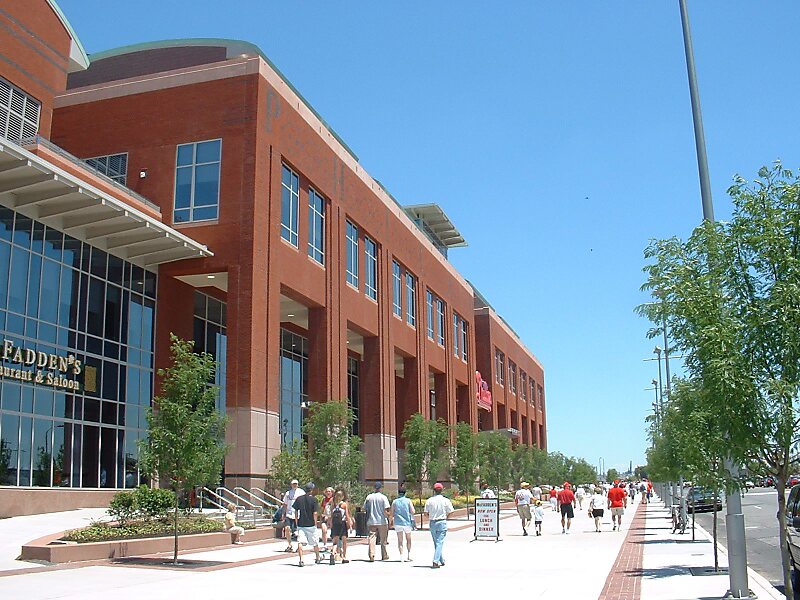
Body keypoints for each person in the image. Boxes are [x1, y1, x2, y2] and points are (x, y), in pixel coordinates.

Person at [424, 482, 454, 568]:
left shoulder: (429, 500)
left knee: (436, 543)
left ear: (434, 490)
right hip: (442, 521)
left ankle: (441, 560)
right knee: (439, 542)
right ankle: (435, 561)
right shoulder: (445, 500)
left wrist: (430, 517)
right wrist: (446, 518)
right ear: (442, 490)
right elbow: (451, 511)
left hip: (432, 522)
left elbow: (425, 513)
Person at [292, 482, 322, 567]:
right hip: (311, 524)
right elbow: (315, 513)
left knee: (300, 542)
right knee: (315, 542)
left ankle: (301, 560)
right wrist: (315, 523)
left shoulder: (299, 499)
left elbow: (296, 511)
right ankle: (317, 557)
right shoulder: (314, 500)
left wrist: (297, 521)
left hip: (301, 524)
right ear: (312, 490)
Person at [363, 481, 391, 561]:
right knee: (383, 540)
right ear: (381, 488)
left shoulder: (369, 497)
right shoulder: (383, 497)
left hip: (371, 520)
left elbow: (365, 508)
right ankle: (384, 555)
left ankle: (372, 554)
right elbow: (386, 509)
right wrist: (389, 517)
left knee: (372, 538)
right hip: (382, 521)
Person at [391, 487, 415, 561]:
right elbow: (413, 511)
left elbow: (392, 513)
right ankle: (409, 554)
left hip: (398, 522)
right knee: (408, 539)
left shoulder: (394, 502)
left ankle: (401, 556)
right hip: (407, 522)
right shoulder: (408, 501)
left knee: (400, 540)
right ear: (405, 493)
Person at [282, 478, 305, 552]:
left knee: (299, 531)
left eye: (296, 484)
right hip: (289, 514)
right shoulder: (288, 493)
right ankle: (289, 544)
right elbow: (285, 504)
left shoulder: (301, 492)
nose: (294, 485)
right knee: (287, 529)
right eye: (293, 484)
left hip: (298, 515)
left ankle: (299, 546)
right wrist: (283, 513)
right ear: (291, 485)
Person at [330, 490, 352, 564]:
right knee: (344, 541)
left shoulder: (333, 504)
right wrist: (350, 525)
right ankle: (344, 557)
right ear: (342, 496)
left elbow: (331, 516)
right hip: (342, 524)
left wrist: (331, 524)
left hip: (335, 524)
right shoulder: (344, 505)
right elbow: (347, 515)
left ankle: (333, 553)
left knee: (335, 542)